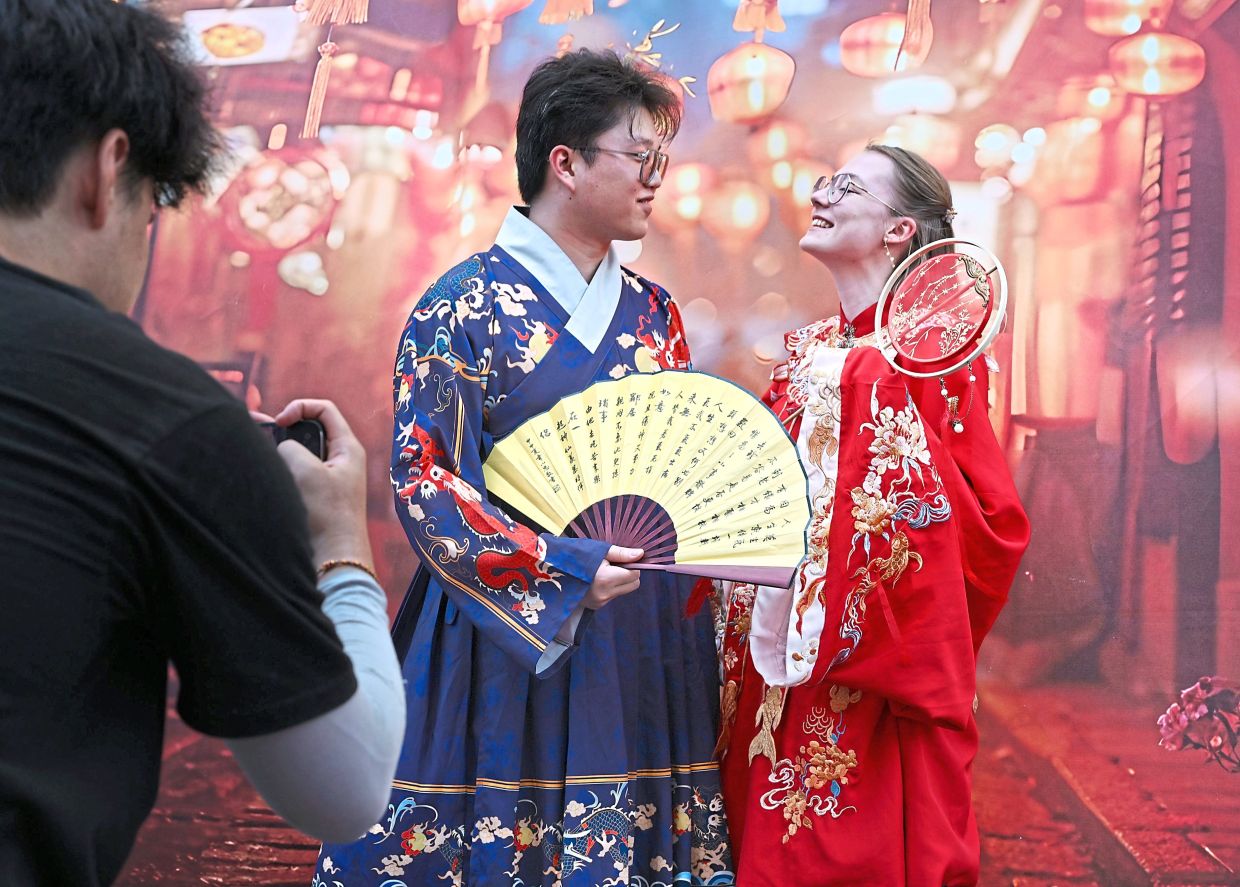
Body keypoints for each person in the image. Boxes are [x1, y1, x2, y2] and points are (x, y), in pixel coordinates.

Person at [0, 3, 405, 884]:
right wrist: (341, 545)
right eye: (158, 205)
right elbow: (342, 786)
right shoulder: (166, 420)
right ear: (110, 172)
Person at [313, 49, 733, 887]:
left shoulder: (656, 313)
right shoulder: (459, 307)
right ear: (565, 164)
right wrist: (561, 568)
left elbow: (679, 464)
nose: (657, 180)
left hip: (635, 629)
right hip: (503, 627)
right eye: (639, 157)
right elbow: (425, 481)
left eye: (663, 160)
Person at [715, 145, 1031, 885]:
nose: (821, 193)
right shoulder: (816, 350)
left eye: (847, 187)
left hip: (870, 648)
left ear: (899, 230)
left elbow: (978, 515)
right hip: (782, 642)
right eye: (825, 180)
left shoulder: (932, 352)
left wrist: (864, 387)